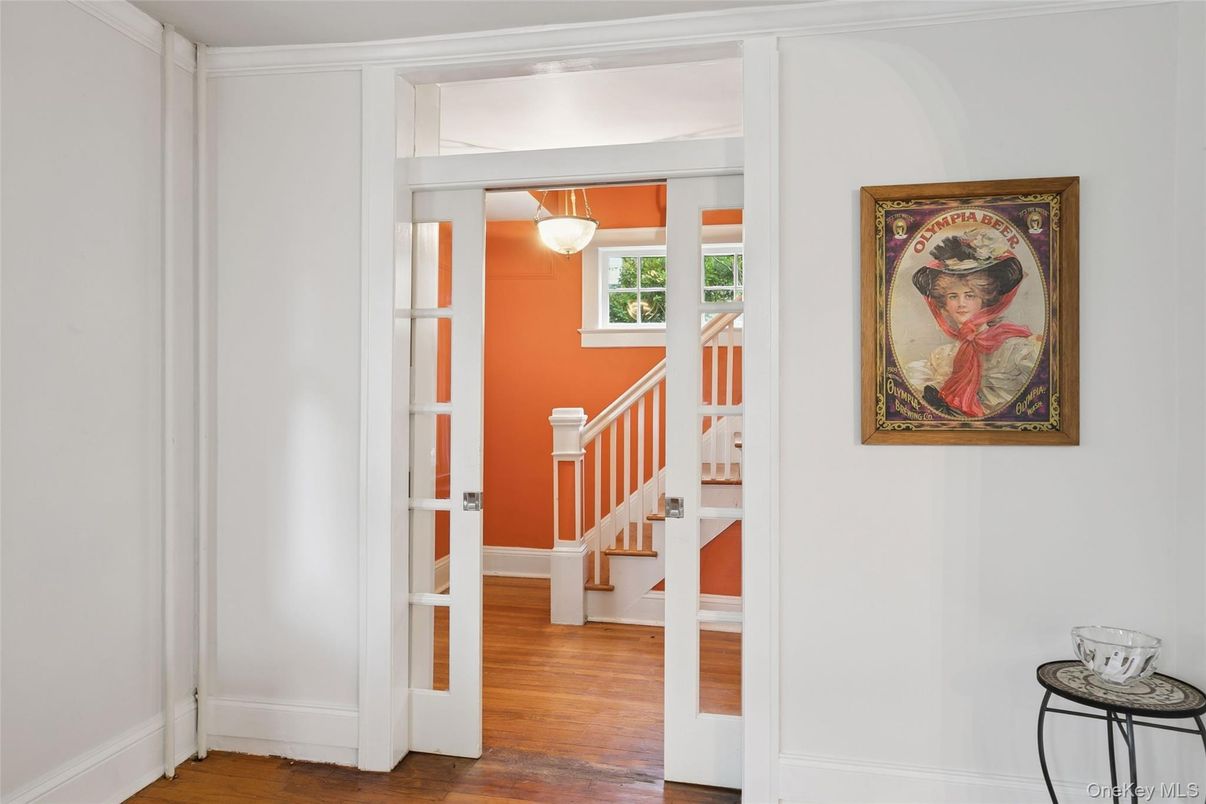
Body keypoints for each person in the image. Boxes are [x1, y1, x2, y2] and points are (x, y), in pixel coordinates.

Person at [903, 229, 1043, 418]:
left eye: (970, 295)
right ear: (944, 305)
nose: (961, 303)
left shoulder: (1017, 351)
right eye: (953, 296)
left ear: (985, 300)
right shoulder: (941, 357)